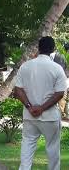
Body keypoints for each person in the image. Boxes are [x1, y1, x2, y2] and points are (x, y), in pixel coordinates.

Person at [15, 36, 67, 170]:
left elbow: (18, 90)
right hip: (50, 117)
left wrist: (30, 107)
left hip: (29, 116)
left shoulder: (25, 66)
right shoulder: (56, 68)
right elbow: (60, 93)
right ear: (53, 49)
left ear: (39, 48)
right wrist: (42, 108)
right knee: (52, 149)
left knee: (27, 147)